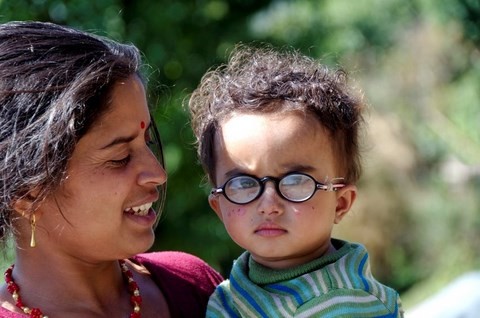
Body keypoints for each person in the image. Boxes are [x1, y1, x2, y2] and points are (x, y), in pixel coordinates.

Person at [0, 21, 223, 318]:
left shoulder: (193, 287)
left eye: (148, 143)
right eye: (120, 157)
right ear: (27, 192)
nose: (157, 173)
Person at [187, 44, 404, 317]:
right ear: (219, 207)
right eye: (243, 184)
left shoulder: (345, 304)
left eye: (294, 181)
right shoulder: (233, 291)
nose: (268, 204)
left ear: (341, 203)